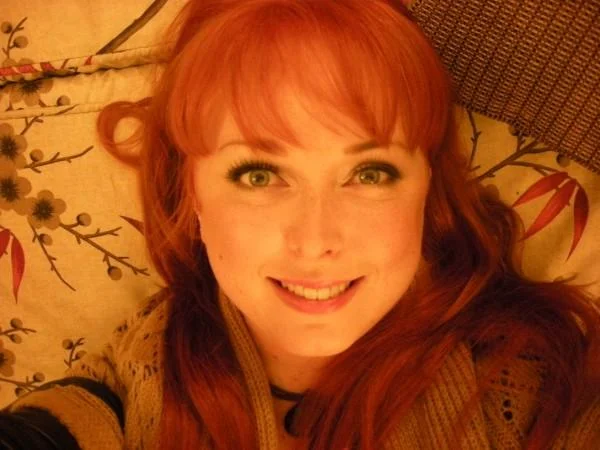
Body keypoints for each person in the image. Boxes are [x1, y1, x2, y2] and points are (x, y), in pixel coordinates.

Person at [1, 0, 599, 449]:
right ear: (192, 196)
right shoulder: (128, 378)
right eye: (259, 175)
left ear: (426, 193)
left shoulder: (537, 383)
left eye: (369, 173)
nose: (315, 242)